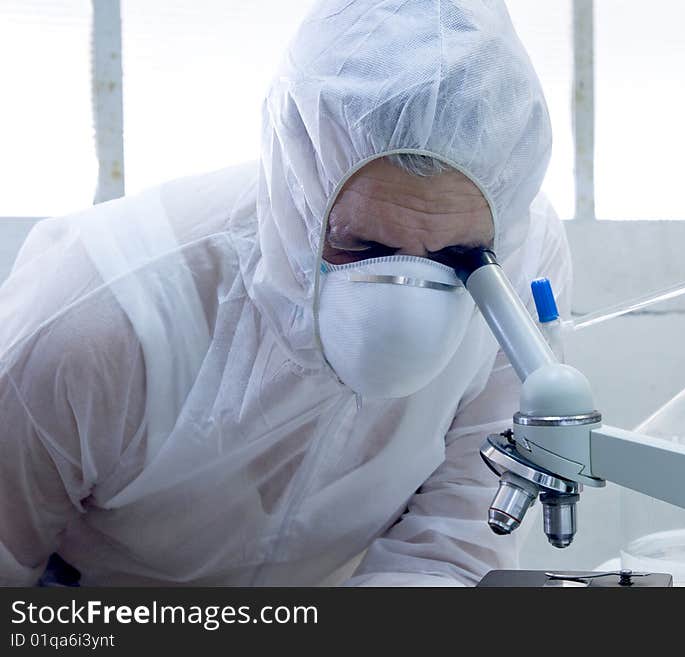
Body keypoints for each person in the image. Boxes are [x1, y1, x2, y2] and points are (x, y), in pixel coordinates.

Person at [0, 0, 572, 586]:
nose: (404, 305)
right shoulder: (97, 317)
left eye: (457, 259)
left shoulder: (520, 263)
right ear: (298, 188)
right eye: (365, 246)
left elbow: (454, 544)